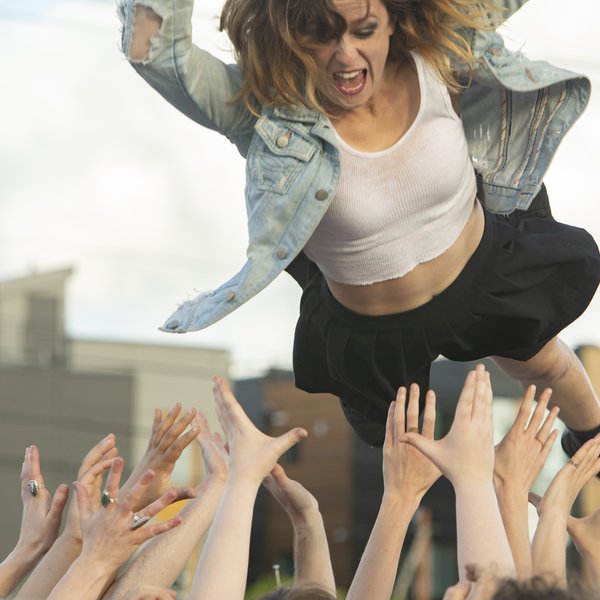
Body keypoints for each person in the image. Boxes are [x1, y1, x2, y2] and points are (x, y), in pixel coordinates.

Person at [119, 0, 600, 452]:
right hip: (375, 334)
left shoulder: (440, 52)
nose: (346, 56)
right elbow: (155, 52)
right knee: (410, 456)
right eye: (320, 34)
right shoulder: (266, 112)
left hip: (481, 273)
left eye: (364, 31)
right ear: (291, 35)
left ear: (392, 19)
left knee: (545, 365)